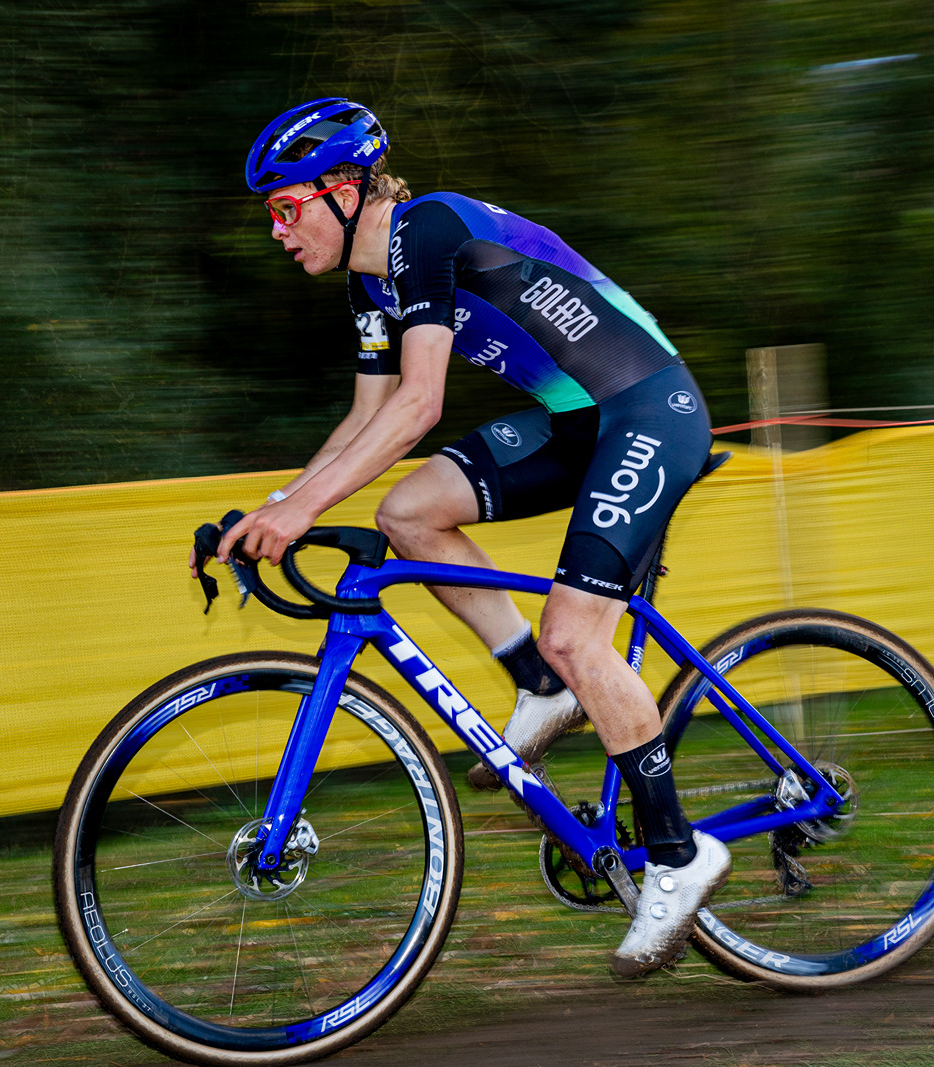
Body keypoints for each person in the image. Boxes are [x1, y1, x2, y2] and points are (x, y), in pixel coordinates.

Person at [202, 98, 729, 975]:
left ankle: (680, 854)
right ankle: (540, 687)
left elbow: (419, 405)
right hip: (575, 423)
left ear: (344, 192)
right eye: (271, 214)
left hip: (647, 410)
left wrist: (297, 513)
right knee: (407, 513)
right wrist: (274, 507)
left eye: (286, 208)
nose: (277, 230)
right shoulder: (371, 282)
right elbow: (364, 419)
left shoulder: (426, 230)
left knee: (577, 636)